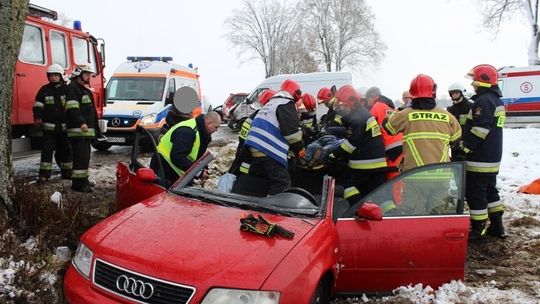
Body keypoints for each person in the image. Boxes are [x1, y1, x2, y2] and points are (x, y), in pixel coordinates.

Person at [383, 74, 461, 213]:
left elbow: (389, 127)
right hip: (441, 175)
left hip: (416, 176)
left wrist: (399, 111)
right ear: (433, 92)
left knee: (414, 216)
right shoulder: (447, 116)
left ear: (412, 94)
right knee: (438, 215)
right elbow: (456, 137)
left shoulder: (406, 114)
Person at [462, 64, 507, 240]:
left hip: (479, 158)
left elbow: (480, 130)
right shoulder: (495, 100)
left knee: (475, 193)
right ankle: (497, 226)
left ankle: (477, 230)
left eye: (475, 80)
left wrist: (465, 148)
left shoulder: (484, 101)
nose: (473, 84)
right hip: (492, 156)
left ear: (483, 81)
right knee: (490, 191)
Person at [243, 79, 305, 195]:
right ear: (296, 94)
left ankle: (260, 201)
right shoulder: (286, 103)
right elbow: (292, 135)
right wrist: (300, 149)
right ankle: (272, 208)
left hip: (255, 146)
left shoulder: (272, 102)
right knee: (282, 182)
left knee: (266, 179)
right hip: (266, 147)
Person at [332, 85, 387, 206]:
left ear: (351, 103)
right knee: (379, 196)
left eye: (342, 105)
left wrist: (332, 154)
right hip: (377, 164)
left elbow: (350, 145)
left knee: (347, 186)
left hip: (365, 165)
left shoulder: (357, 118)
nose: (341, 109)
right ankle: (387, 216)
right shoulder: (361, 114)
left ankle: (358, 209)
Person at [151, 111, 221, 185]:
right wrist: (199, 172)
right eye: (216, 127)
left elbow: (196, 154)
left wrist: (202, 169)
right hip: (163, 167)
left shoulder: (201, 132)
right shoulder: (188, 131)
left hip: (177, 169)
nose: (216, 130)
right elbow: (177, 157)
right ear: (209, 123)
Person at [33, 64, 73, 182]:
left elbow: (73, 107)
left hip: (64, 128)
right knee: (46, 152)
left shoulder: (67, 90)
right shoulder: (44, 90)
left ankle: (67, 173)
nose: (53, 77)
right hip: (49, 129)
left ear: (60, 76)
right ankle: (44, 175)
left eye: (55, 75)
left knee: (66, 151)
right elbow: (38, 106)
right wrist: (37, 117)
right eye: (51, 75)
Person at [65, 65, 101, 192]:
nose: (88, 77)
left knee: (85, 158)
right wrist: (81, 122)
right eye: (86, 74)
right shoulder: (73, 89)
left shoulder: (83, 90)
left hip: (85, 133)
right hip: (79, 131)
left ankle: (84, 180)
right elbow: (72, 108)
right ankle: (79, 184)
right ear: (79, 74)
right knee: (80, 158)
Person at [365, 86, 403, 179]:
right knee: (398, 172)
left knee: (392, 175)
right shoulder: (390, 107)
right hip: (401, 143)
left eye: (368, 99)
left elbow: (366, 123)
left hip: (391, 147)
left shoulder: (377, 106)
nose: (367, 102)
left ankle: (394, 194)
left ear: (374, 97)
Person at [446, 82, 473, 161]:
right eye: (452, 93)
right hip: (455, 145)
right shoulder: (451, 109)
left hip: (467, 145)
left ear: (462, 93)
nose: (454, 95)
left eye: (456, 93)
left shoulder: (470, 107)